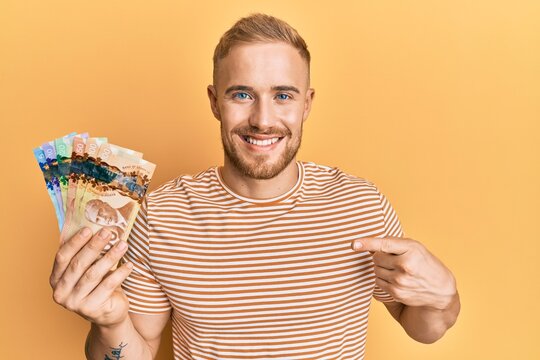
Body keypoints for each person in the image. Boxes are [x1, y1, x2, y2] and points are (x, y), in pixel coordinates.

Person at [50, 13, 460, 360]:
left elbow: (424, 329)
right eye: (242, 94)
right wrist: (110, 322)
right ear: (214, 101)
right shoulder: (161, 216)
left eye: (283, 95)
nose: (263, 119)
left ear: (307, 103)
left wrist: (445, 296)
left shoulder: (362, 205)